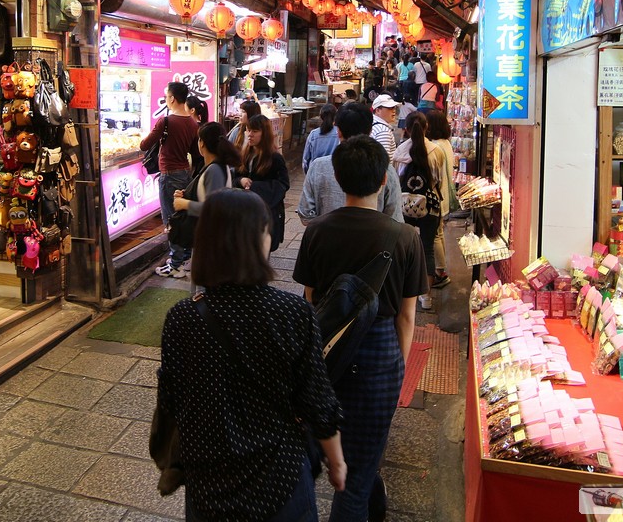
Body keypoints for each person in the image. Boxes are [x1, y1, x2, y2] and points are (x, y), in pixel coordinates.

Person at [160, 190, 346, 520]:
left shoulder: (181, 319)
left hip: (208, 488)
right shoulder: (292, 313)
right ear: (256, 239)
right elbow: (318, 401)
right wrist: (337, 462)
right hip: (280, 481)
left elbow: (173, 400)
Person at [294, 135, 426, 522]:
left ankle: (372, 505)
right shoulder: (405, 239)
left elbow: (310, 301)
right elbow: (407, 315)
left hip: (328, 351)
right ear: (385, 181)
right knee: (361, 471)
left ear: (337, 177)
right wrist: (398, 368)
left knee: (333, 460)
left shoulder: (316, 231)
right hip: (380, 355)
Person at [298, 102, 404, 224]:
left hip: (327, 240)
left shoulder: (319, 166)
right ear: (370, 130)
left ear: (338, 132)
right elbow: (395, 218)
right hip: (374, 241)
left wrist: (324, 230)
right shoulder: (385, 169)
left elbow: (305, 213)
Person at [169, 122, 241, 278]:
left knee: (204, 288)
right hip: (210, 237)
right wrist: (187, 194)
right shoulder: (216, 166)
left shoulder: (214, 169)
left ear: (202, 143)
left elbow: (214, 208)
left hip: (212, 239)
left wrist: (185, 204)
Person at [392, 111, 448, 311]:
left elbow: (395, 179)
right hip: (430, 207)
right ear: (427, 128)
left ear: (406, 129)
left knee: (402, 248)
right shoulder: (436, 151)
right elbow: (439, 181)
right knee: (427, 249)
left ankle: (401, 290)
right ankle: (426, 297)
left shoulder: (399, 151)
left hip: (404, 206)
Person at [145, 82, 201, 278]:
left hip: (169, 175)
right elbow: (195, 151)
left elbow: (144, 145)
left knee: (171, 219)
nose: (166, 99)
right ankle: (184, 257)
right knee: (183, 217)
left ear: (172, 98)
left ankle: (175, 264)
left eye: (166, 95)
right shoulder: (193, 123)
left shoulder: (166, 121)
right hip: (185, 173)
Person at [236, 114, 290, 252]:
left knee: (261, 252)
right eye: (248, 130)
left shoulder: (275, 158)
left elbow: (283, 184)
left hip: (265, 213)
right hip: (245, 210)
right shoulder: (245, 154)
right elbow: (235, 175)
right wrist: (240, 180)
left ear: (264, 133)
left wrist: (255, 187)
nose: (250, 135)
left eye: (255, 131)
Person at [423, 109, 458, 287]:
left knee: (435, 235)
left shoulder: (435, 147)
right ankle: (441, 269)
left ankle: (440, 272)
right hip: (443, 196)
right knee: (439, 233)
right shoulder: (446, 143)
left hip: (438, 196)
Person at [302, 104, 340, 173]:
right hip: (334, 173)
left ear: (321, 116)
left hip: (316, 173)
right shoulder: (340, 133)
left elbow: (305, 161)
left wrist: (309, 175)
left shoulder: (313, 135)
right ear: (335, 117)